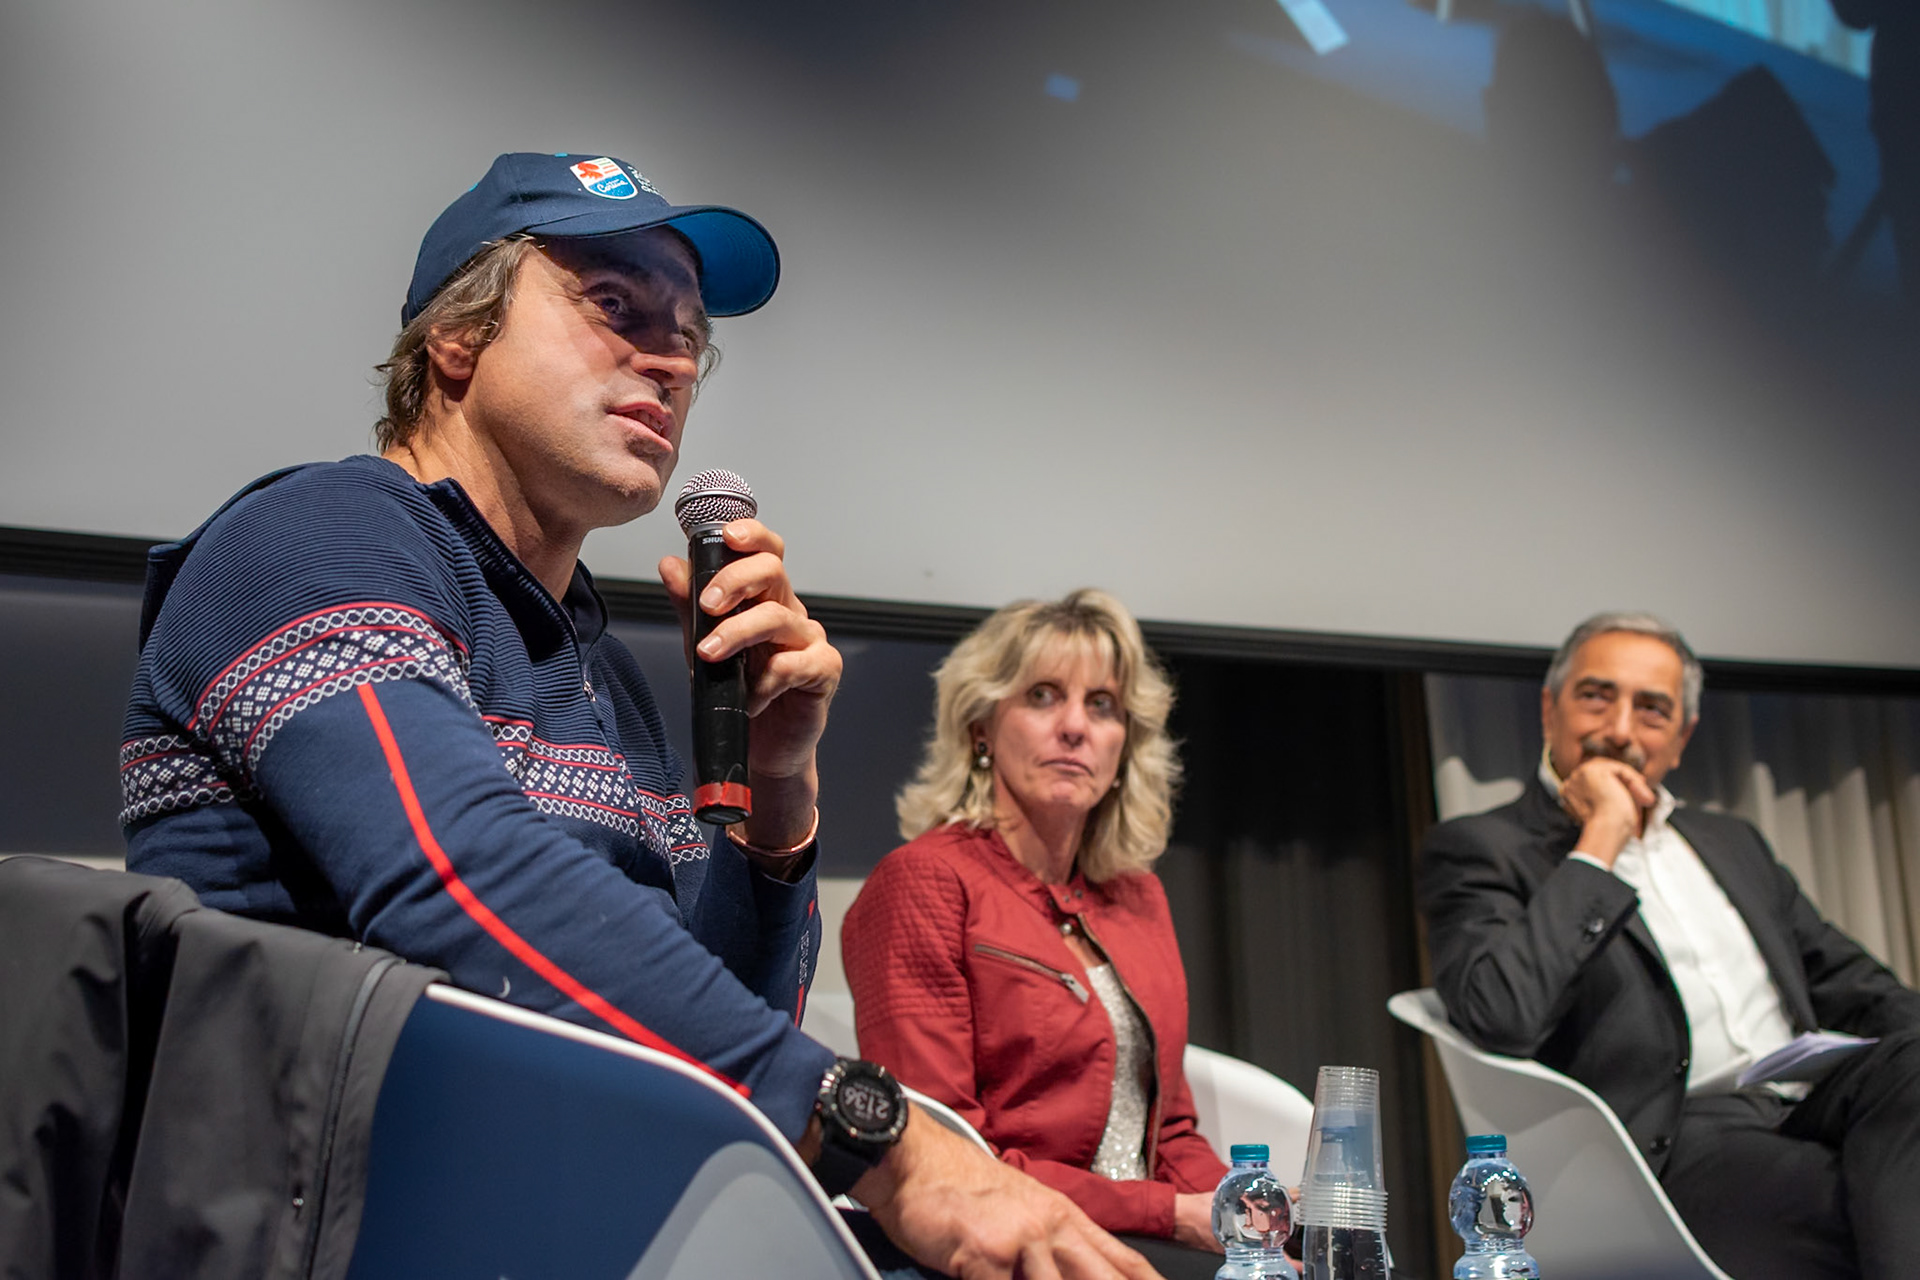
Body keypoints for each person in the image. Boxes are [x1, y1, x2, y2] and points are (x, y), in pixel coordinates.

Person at [118, 151, 1159, 1280]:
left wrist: (778, 795)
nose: (669, 359)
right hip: (338, 1234)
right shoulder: (318, 537)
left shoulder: (598, 670)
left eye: (688, 337)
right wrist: (879, 1137)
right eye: (614, 306)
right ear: (455, 340)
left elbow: (700, 1023)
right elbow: (458, 876)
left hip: (569, 1221)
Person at [1419, 611, 1920, 1280]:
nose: (1620, 730)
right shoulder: (1483, 848)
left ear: (1681, 739)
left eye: (1652, 710)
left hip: (1810, 1100)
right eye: (1597, 696)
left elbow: (1858, 985)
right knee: (1849, 1198)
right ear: (1549, 710)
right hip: (1673, 1136)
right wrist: (1599, 841)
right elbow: (1500, 1013)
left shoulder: (1730, 842)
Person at [843, 589, 1231, 1280]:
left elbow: (1170, 1131)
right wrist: (1168, 1214)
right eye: (1044, 696)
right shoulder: (923, 881)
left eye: (1102, 705)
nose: (1076, 727)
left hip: (1147, 1239)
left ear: (1124, 746)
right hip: (1006, 1241)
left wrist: (1240, 1211)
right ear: (982, 728)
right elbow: (946, 1152)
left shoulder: (1139, 897)